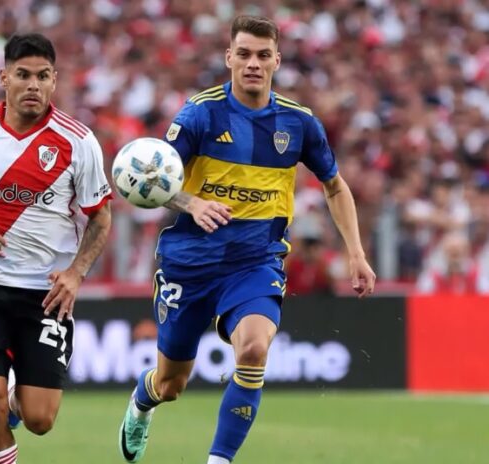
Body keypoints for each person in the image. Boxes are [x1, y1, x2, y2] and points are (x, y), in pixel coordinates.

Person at [118, 15, 376, 464]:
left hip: (255, 261)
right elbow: (154, 178)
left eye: (262, 55)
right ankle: (144, 398)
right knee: (172, 383)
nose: (253, 63)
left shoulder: (298, 123)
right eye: (244, 54)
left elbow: (335, 186)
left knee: (255, 349)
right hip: (190, 263)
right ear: (229, 58)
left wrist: (356, 252)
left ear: (277, 60)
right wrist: (192, 203)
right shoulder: (200, 113)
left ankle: (219, 460)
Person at [0, 33, 112, 464]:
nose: (33, 85)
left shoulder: (78, 141)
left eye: (42, 76)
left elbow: (100, 216)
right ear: (4, 77)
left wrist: (76, 274)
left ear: (55, 80)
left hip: (45, 291)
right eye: (23, 75)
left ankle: (16, 403)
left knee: (40, 418)